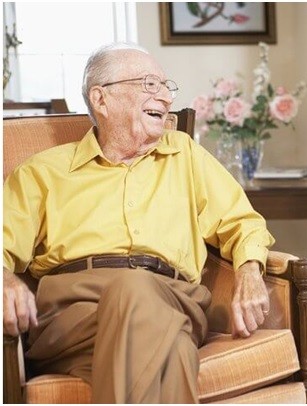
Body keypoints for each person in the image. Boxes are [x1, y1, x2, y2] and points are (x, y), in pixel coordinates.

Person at [3, 42, 275, 403]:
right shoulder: (42, 172)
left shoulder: (185, 154)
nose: (165, 97)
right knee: (174, 350)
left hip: (174, 296)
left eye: (165, 86)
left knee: (135, 288)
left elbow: (242, 222)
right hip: (73, 314)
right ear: (101, 99)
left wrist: (250, 270)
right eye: (149, 84)